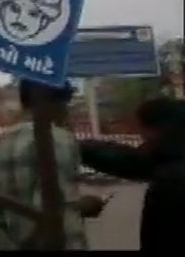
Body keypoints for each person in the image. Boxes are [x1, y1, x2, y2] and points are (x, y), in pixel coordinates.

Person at [0, 80, 106, 250]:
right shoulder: (60, 140)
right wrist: (82, 206)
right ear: (55, 103)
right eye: (65, 104)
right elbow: (49, 211)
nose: (67, 111)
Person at [79, 97, 185, 251]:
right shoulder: (170, 157)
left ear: (155, 130)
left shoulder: (172, 176)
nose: (142, 137)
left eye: (142, 129)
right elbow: (130, 160)